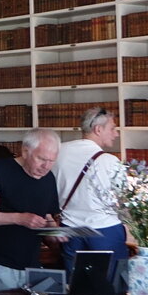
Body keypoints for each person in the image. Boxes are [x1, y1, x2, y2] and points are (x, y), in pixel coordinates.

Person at [0, 129, 61, 291]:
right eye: (41, 159)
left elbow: (47, 216)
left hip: (31, 267)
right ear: (25, 151)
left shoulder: (49, 179)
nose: (46, 166)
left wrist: (55, 233)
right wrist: (19, 218)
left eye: (52, 161)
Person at [53, 107, 126, 274]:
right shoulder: (110, 161)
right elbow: (121, 201)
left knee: (76, 287)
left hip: (69, 230)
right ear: (98, 129)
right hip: (105, 231)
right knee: (109, 286)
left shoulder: (59, 151)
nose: (116, 134)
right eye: (113, 128)